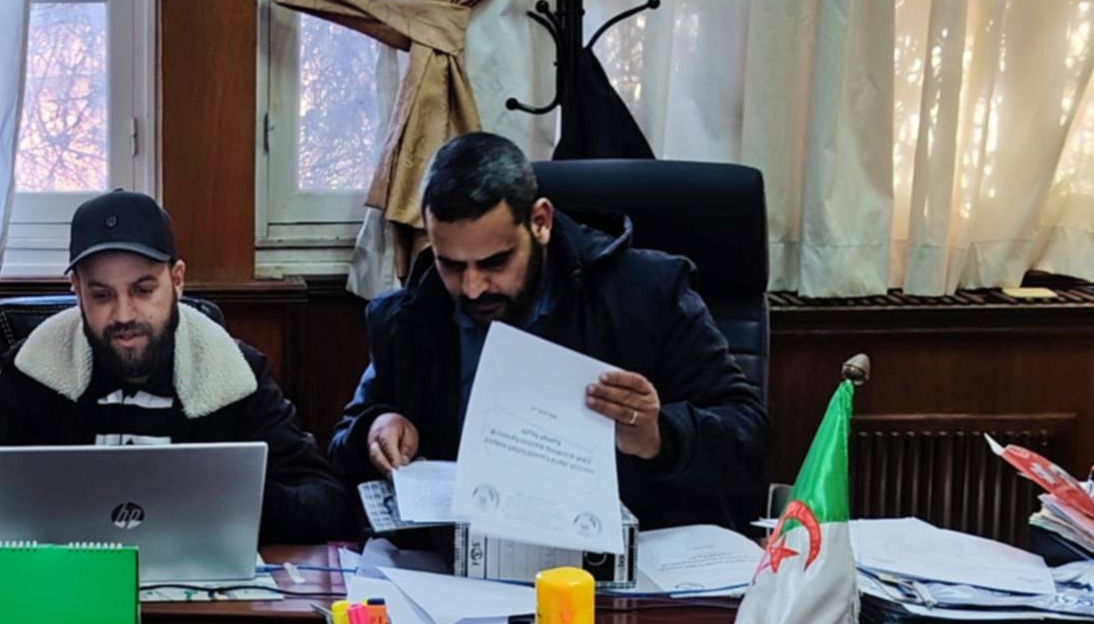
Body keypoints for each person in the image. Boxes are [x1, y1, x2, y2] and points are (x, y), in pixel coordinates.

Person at [330, 133, 770, 530]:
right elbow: (343, 442)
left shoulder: (648, 293)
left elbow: (748, 434)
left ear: (540, 222)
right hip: (461, 561)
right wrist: (375, 428)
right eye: (452, 265)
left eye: (495, 262)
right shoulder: (409, 317)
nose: (473, 287)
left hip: (616, 563)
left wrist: (660, 436)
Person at [0, 190, 358, 542]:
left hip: (197, 593)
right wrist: (1, 512)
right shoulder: (36, 369)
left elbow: (327, 500)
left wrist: (232, 505)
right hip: (65, 595)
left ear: (177, 281)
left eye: (143, 290)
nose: (123, 315)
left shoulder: (232, 372)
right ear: (76, 290)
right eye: (101, 295)